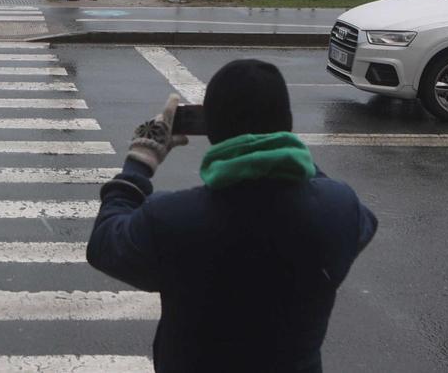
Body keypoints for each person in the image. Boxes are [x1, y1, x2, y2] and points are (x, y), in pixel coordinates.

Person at [87, 59, 377, 373]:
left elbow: (104, 243)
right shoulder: (336, 210)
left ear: (212, 131)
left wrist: (140, 161)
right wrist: (289, 158)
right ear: (287, 126)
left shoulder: (173, 219)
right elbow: (357, 217)